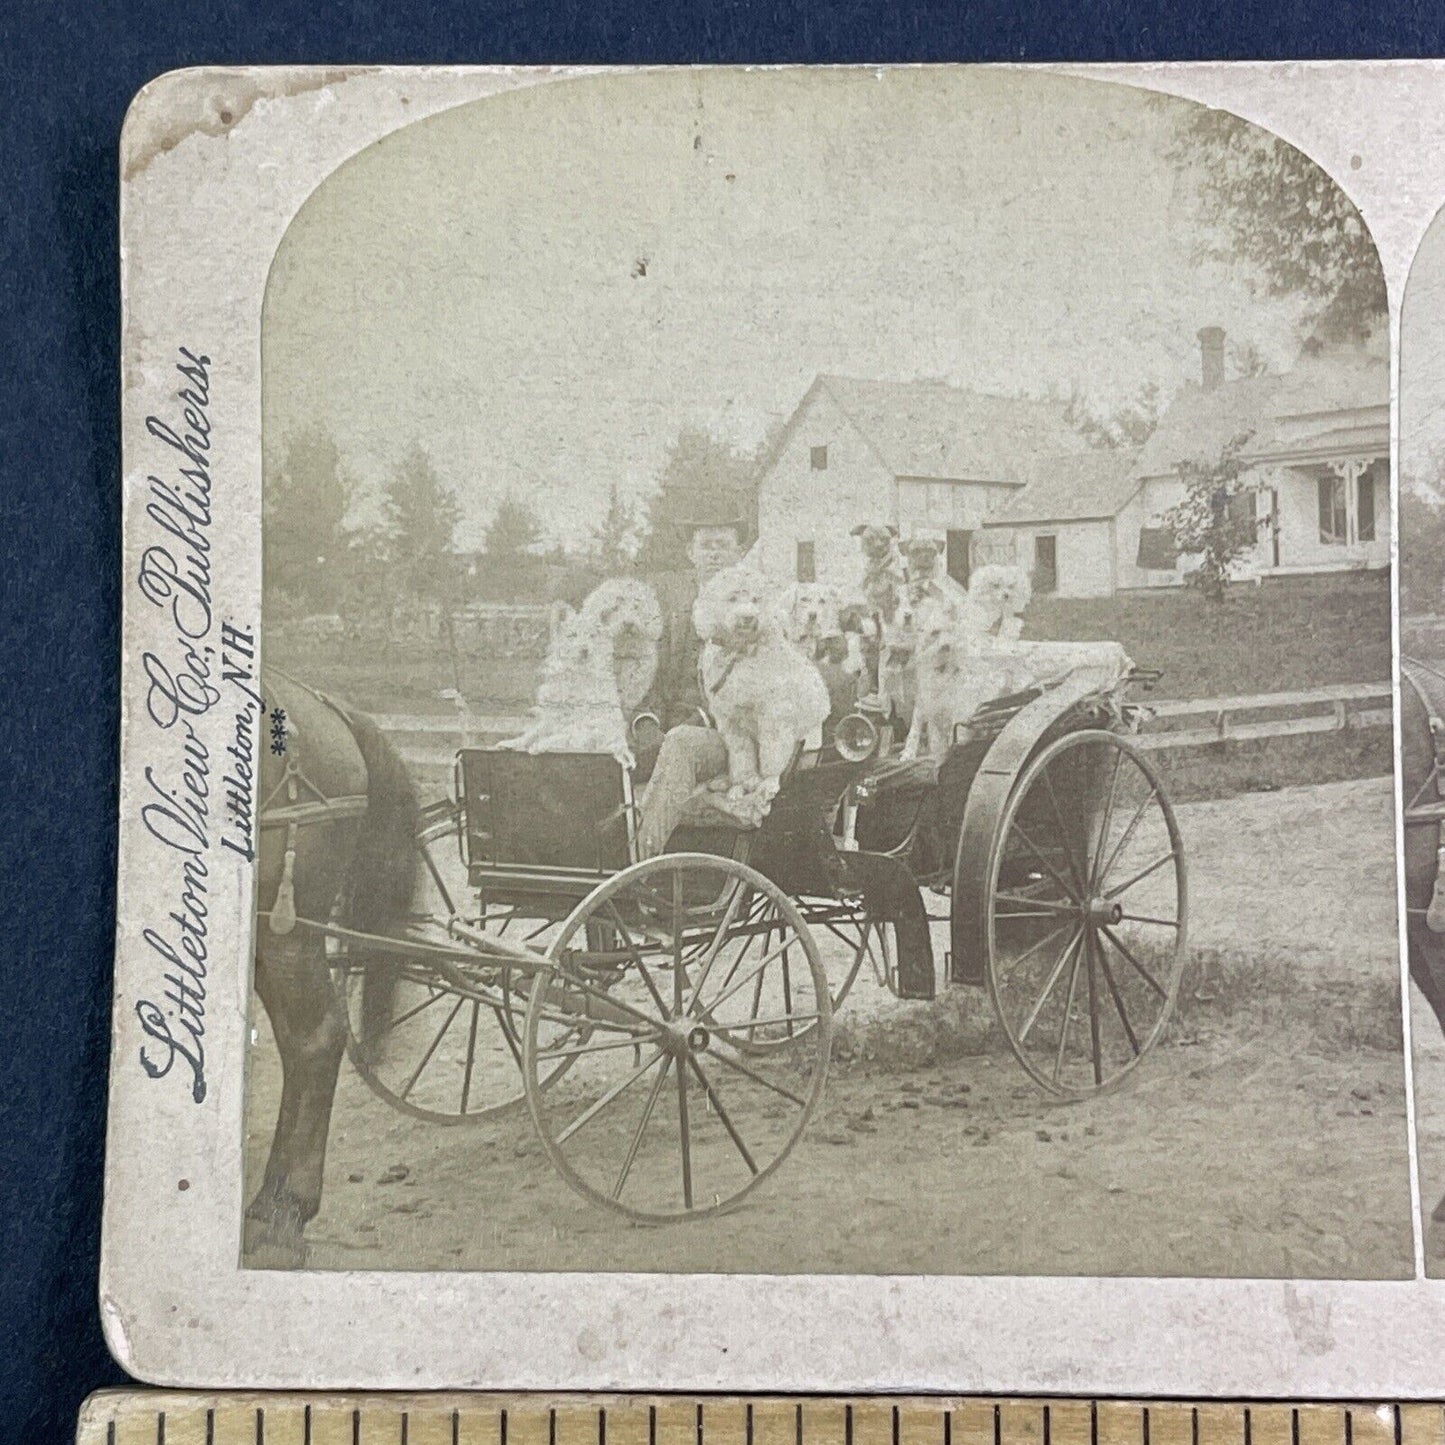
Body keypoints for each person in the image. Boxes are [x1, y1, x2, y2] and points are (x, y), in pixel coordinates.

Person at [632, 511, 748, 858]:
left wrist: (704, 718)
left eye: (723, 546)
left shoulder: (751, 608)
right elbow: (646, 675)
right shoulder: (672, 611)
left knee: (681, 743)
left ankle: (637, 864)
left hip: (726, 738)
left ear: (738, 554)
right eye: (706, 546)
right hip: (667, 730)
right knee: (595, 746)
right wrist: (646, 723)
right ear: (690, 553)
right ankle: (577, 862)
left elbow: (756, 690)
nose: (713, 554)